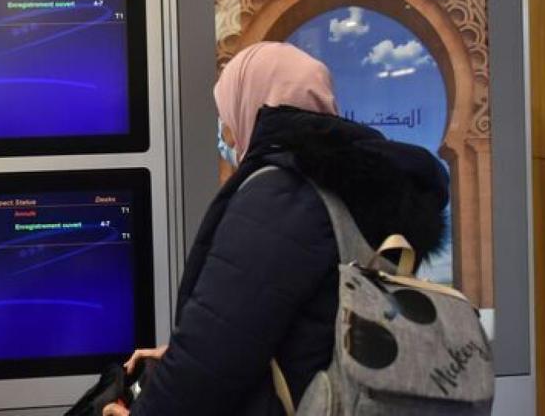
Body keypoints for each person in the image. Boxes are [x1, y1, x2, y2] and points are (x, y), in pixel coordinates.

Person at [104, 42, 448, 416]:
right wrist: (179, 358)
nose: (227, 135)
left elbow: (213, 354)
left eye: (227, 120)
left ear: (253, 102)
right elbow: (309, 329)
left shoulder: (284, 191)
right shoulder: (363, 187)